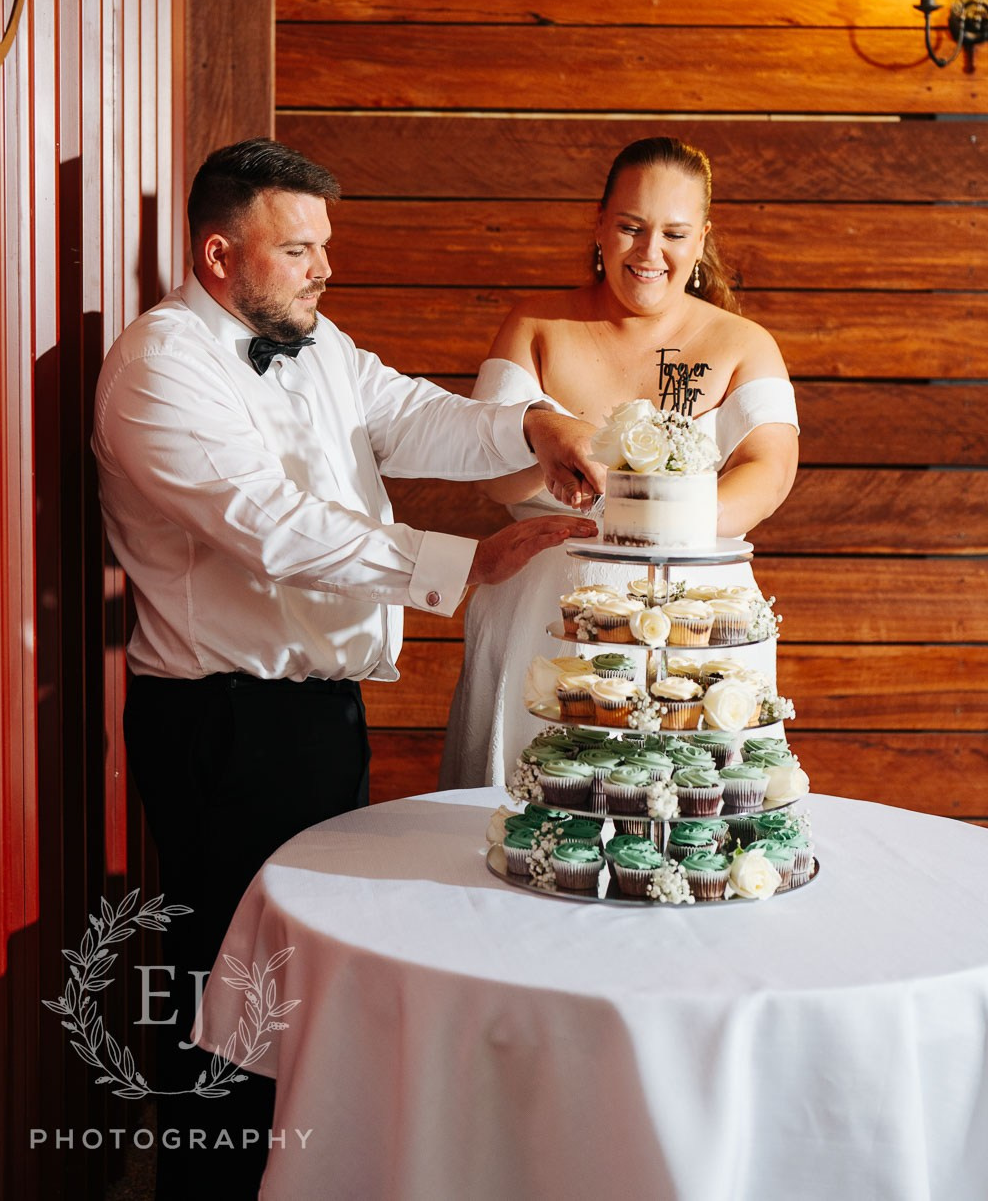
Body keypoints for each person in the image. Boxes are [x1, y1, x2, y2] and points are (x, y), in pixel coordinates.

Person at [91, 137, 602, 1199]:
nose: (324, 268)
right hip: (221, 724)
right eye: (298, 250)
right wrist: (459, 565)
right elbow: (270, 528)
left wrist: (532, 426)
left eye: (324, 245)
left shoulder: (314, 340)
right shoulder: (157, 365)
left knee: (302, 991)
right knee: (230, 1002)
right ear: (218, 254)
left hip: (318, 717)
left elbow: (412, 414)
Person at [440, 135, 800, 790]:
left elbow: (769, 470)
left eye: (674, 233)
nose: (649, 252)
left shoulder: (746, 343)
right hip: (541, 610)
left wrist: (664, 523)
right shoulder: (534, 326)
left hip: (691, 617)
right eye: (631, 227)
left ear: (701, 239)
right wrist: (553, 447)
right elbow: (492, 476)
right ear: (600, 223)